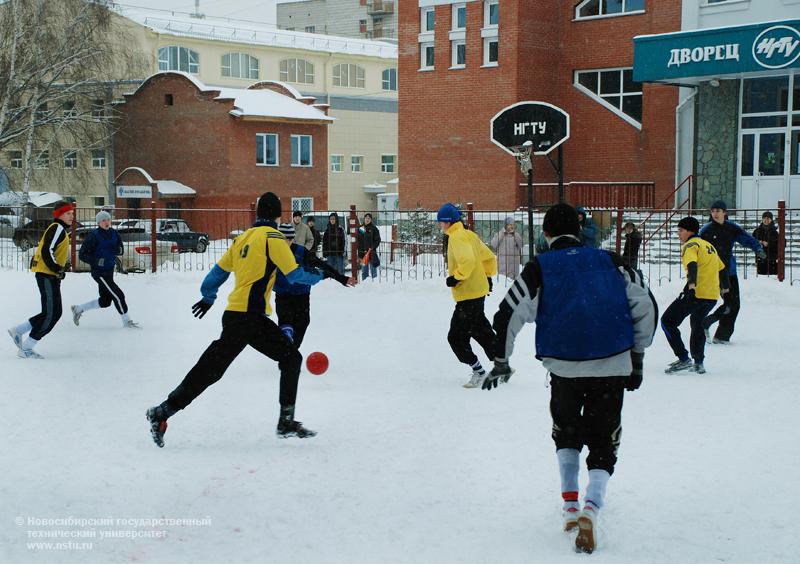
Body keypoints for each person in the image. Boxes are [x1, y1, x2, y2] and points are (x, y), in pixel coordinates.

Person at [484, 203, 657, 554]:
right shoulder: (612, 261)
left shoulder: (540, 268)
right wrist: (636, 357)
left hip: (564, 368)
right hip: (612, 364)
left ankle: (569, 506)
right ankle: (592, 507)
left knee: (566, 433)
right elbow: (646, 305)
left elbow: (507, 315)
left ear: (546, 235)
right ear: (578, 232)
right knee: (605, 440)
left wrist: (502, 360)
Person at [145, 192, 324, 448]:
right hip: (248, 318)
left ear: (257, 214)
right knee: (213, 369)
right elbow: (294, 274)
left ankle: (286, 421)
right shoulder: (273, 237)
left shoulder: (243, 238)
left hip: (238, 316)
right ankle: (161, 412)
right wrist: (318, 277)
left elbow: (215, 274)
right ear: (277, 216)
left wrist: (208, 297)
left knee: (280, 359)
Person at [438, 203, 498, 389]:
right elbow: (488, 257)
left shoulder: (456, 237)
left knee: (455, 337)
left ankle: (479, 372)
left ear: (448, 222)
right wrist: (487, 276)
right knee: (480, 330)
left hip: (468, 293)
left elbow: (468, 261)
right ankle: (502, 364)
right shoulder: (470, 235)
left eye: (440, 222)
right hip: (477, 291)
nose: (439, 225)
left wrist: (456, 278)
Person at [8, 201, 76, 359]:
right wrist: (56, 269)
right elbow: (47, 250)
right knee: (51, 314)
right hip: (47, 275)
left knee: (53, 312)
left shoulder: (58, 229)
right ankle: (26, 348)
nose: (71, 216)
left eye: (72, 213)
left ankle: (18, 330)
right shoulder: (57, 228)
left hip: (49, 275)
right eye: (68, 213)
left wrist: (58, 270)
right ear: (59, 215)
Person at [662, 216, 728, 375]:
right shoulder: (708, 246)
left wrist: (691, 287)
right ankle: (699, 362)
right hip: (711, 296)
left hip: (696, 293)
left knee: (667, 321)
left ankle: (684, 359)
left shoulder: (690, 245)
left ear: (689, 231)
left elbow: (691, 265)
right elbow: (722, 268)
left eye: (680, 231)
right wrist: (725, 290)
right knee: (697, 322)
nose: (679, 234)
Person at [274, 222, 354, 349]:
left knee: (303, 322)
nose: (286, 242)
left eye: (289, 239)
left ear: (293, 239)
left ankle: (292, 347)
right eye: (283, 239)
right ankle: (286, 342)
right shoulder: (273, 253)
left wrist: (341, 278)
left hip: (302, 295)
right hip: (283, 294)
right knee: (285, 319)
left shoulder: (301, 251)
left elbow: (320, 264)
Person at [700, 200, 765, 344]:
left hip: (729, 271)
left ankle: (720, 335)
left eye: (718, 211)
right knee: (713, 302)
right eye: (713, 211)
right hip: (712, 272)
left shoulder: (731, 228)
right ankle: (704, 324)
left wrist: (758, 248)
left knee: (733, 304)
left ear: (725, 212)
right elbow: (696, 246)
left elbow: (745, 238)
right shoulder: (706, 230)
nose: (715, 214)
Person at [70, 210, 140, 329]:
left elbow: (120, 249)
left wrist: (117, 250)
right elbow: (82, 254)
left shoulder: (114, 233)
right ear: (98, 222)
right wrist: (97, 260)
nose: (106, 222)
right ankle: (127, 322)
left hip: (109, 269)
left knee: (105, 301)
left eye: (108, 219)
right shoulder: (93, 236)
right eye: (103, 220)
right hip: (99, 272)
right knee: (118, 295)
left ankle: (79, 309)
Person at [752, 211, 778, 275]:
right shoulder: (757, 231)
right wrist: (759, 242)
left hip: (772, 258)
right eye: (764, 218)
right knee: (761, 278)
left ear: (771, 220)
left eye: (768, 218)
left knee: (772, 278)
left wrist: (769, 244)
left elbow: (779, 244)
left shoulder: (775, 232)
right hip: (761, 257)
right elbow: (752, 242)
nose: (766, 220)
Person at [357, 213, 381, 280]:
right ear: (364, 219)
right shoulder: (361, 228)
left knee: (373, 271)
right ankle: (364, 286)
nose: (367, 219)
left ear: (371, 220)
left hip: (371, 253)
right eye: (366, 218)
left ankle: (374, 285)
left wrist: (372, 247)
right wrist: (359, 249)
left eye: (369, 218)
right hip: (363, 254)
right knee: (364, 271)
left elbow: (378, 240)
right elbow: (358, 240)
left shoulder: (374, 228)